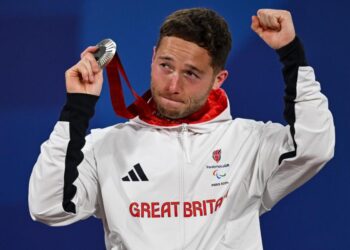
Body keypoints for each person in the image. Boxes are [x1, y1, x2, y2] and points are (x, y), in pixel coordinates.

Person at [28, 7, 335, 250]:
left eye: (191, 73)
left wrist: (291, 55)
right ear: (152, 58)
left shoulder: (249, 143)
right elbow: (48, 206)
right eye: (165, 66)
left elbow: (314, 146)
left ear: (219, 79)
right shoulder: (106, 147)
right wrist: (77, 108)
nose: (172, 85)